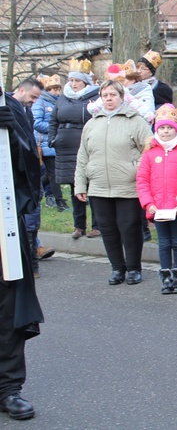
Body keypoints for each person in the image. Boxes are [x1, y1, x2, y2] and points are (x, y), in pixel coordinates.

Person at [74, 80, 152, 285]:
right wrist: (80, 184)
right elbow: (83, 156)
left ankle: (134, 268)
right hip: (99, 187)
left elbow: (149, 150)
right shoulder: (92, 123)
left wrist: (135, 169)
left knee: (130, 228)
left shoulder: (135, 121)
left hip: (128, 186)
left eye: (113, 95)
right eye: (105, 95)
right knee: (107, 229)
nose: (109, 99)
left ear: (121, 97)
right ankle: (117, 268)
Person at [0, 86, 45, 421]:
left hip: (3, 225)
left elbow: (29, 164)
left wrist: (12, 134)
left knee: (9, 307)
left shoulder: (9, 107)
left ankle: (8, 388)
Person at [137, 104, 177, 294]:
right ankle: (166, 277)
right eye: (162, 128)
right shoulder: (150, 153)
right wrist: (148, 203)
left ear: (176, 129)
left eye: (170, 128)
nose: (166, 132)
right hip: (158, 208)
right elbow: (142, 180)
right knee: (164, 243)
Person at [48, 58, 100, 239]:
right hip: (65, 146)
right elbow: (53, 119)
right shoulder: (63, 98)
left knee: (92, 185)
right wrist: (52, 138)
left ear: (85, 81)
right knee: (74, 186)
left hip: (85, 143)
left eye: (77, 80)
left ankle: (97, 225)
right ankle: (79, 225)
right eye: (71, 80)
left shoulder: (95, 96)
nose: (74, 84)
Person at [10, 79, 46, 280]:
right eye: (32, 97)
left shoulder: (26, 110)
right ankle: (28, 263)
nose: (34, 101)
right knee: (27, 220)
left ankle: (32, 262)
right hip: (19, 174)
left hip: (32, 171)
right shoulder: (10, 108)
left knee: (33, 219)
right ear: (21, 90)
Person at [32, 74, 69, 212]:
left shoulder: (58, 102)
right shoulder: (40, 102)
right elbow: (36, 123)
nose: (56, 92)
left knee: (49, 174)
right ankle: (60, 202)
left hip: (56, 142)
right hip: (45, 143)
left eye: (58, 89)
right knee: (53, 173)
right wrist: (55, 128)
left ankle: (33, 189)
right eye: (53, 89)